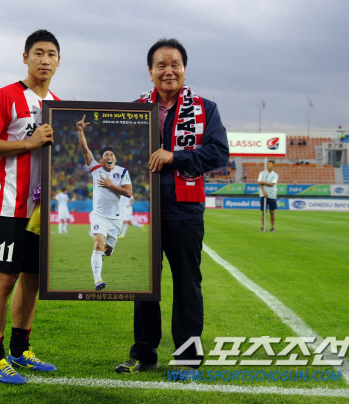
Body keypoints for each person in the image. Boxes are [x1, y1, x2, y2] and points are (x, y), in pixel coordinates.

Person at [115, 38, 229, 374]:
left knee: (187, 285)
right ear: (150, 71)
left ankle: (188, 357)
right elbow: (117, 152)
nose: (169, 70)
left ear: (184, 69)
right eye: (161, 65)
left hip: (185, 210)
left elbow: (219, 153)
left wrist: (175, 157)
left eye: (174, 64)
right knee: (143, 285)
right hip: (143, 209)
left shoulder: (205, 108)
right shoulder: (135, 109)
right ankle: (144, 353)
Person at [0, 29, 60, 385]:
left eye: (51, 54)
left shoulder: (58, 105)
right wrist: (28, 144)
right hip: (10, 207)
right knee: (5, 280)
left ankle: (20, 350)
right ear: (25, 57)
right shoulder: (6, 96)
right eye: (38, 53)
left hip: (41, 213)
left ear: (58, 61)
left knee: (33, 280)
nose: (45, 60)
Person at [77, 116, 132, 291]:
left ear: (115, 160)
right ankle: (98, 280)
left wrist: (110, 185)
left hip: (115, 218)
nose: (109, 156)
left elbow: (128, 192)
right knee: (98, 245)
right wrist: (80, 131)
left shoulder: (122, 172)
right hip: (99, 216)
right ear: (101, 160)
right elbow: (85, 150)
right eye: (106, 155)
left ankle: (106, 251)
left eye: (112, 155)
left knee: (107, 250)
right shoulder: (96, 169)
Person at [258, 160, 278, 232]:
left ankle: (272, 227)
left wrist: (263, 182)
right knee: (264, 212)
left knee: (272, 212)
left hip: (272, 195)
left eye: (269, 164)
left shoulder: (275, 175)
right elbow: (259, 183)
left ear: (273, 165)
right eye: (267, 164)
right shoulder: (262, 173)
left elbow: (272, 184)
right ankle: (263, 227)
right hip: (263, 195)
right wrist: (263, 192)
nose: (268, 165)